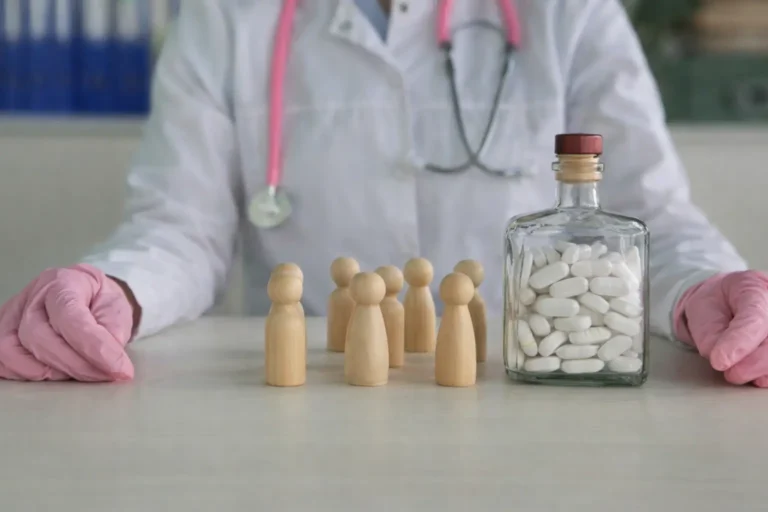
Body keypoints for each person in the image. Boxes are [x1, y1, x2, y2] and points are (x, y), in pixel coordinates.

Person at [0, 0, 765, 386]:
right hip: (308, 404)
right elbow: (180, 229)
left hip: (525, 391)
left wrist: (711, 288)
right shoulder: (227, 16)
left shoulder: (571, 12)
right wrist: (118, 288)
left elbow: (650, 219)